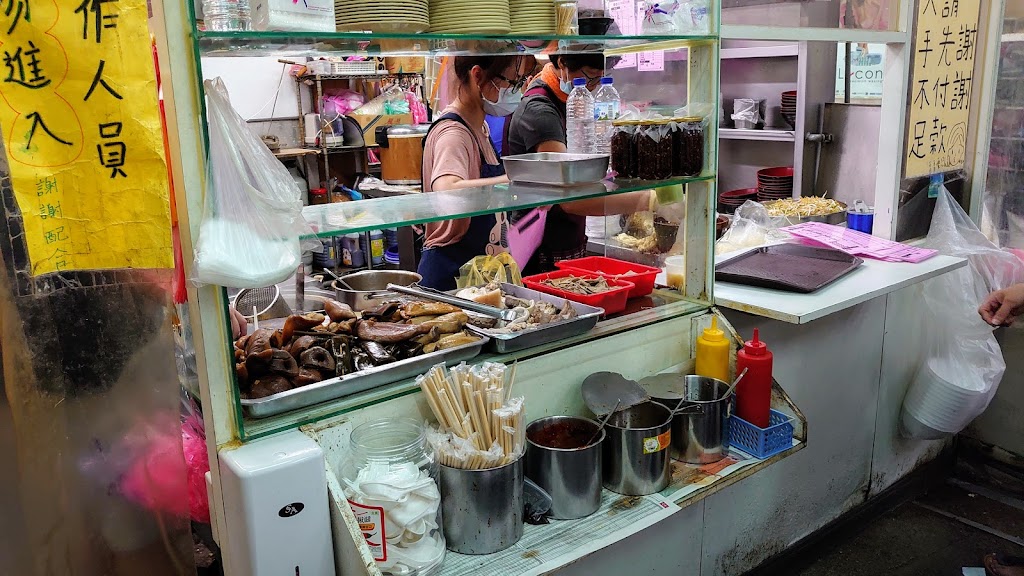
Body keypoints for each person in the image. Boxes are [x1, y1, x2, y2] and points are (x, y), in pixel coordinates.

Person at [505, 53, 652, 274]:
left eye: (604, 77)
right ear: (562, 63)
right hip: (541, 250)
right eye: (591, 77)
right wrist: (648, 200)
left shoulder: (576, 99)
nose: (595, 87)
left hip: (570, 237)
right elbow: (570, 198)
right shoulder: (540, 111)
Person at [416, 55, 532, 290]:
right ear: (477, 75)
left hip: (479, 274)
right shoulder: (454, 134)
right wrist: (513, 181)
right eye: (511, 82)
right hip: (451, 276)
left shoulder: (480, 126)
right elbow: (446, 190)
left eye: (520, 83)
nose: (515, 92)